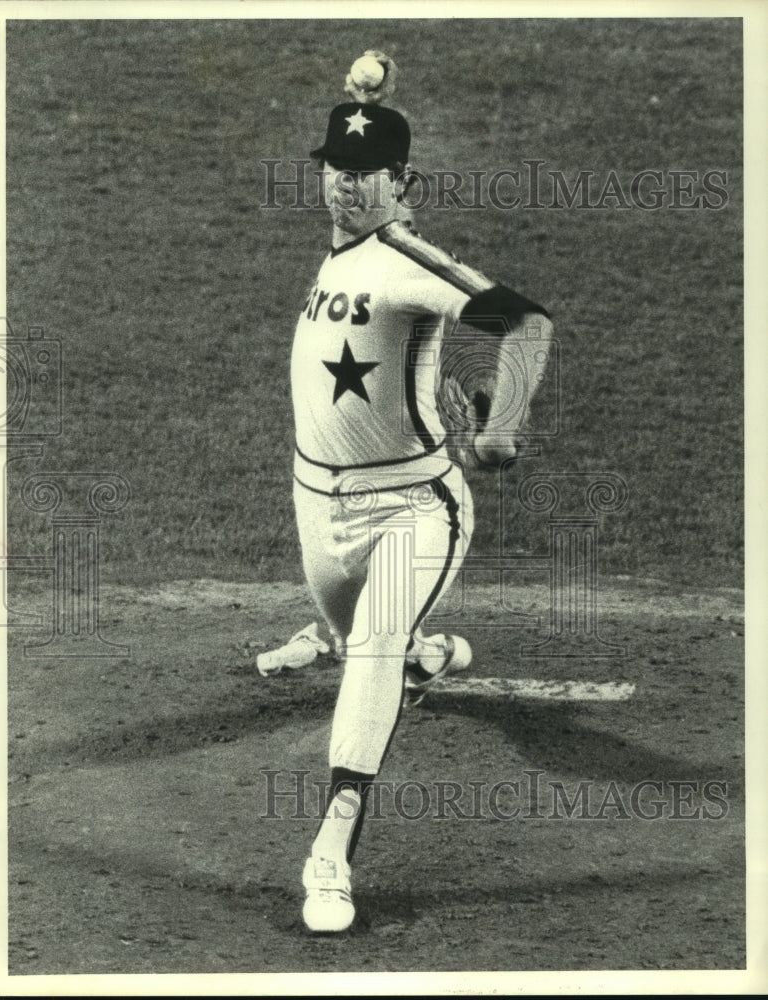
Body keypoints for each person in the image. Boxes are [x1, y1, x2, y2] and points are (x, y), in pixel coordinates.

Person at [291, 56, 552, 932]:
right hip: (316, 509)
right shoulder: (338, 252)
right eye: (337, 167)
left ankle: (331, 850)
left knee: (367, 651)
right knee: (352, 639)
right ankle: (426, 655)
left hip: (413, 508)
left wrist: (500, 428)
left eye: (365, 175)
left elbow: (523, 322)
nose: (346, 187)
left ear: (402, 185)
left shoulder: (403, 257)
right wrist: (366, 100)